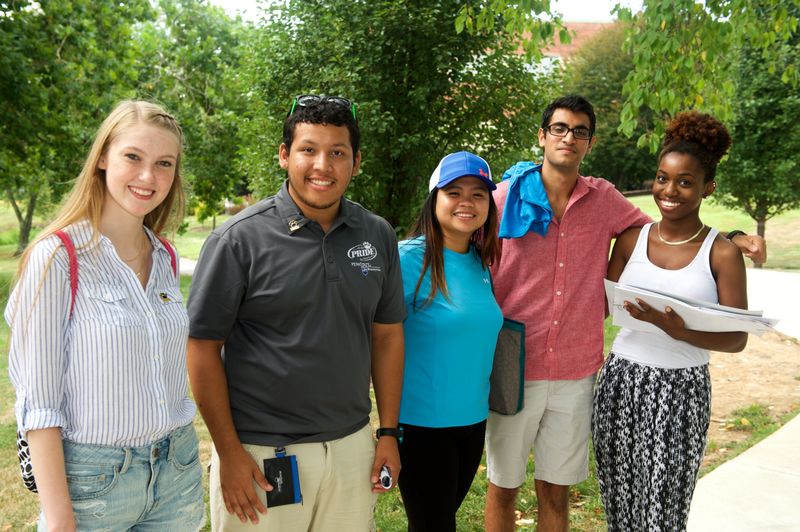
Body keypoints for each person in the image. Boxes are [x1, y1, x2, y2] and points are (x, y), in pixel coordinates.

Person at [483, 95, 766, 531]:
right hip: (513, 363)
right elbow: (454, 235)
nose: (568, 138)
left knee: (556, 492)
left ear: (590, 143)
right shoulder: (502, 199)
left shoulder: (604, 201)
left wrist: (733, 237)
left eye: (580, 131)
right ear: (542, 136)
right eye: (559, 128)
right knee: (503, 487)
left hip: (577, 372)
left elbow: (674, 225)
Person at [186, 94, 406, 531]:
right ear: (285, 155)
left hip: (351, 448)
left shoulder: (376, 234)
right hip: (261, 454)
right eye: (308, 149)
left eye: (337, 152)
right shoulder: (238, 241)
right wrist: (228, 453)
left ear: (356, 162)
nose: (323, 165)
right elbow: (202, 348)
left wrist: (387, 434)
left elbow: (387, 337)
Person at [7, 100, 204, 531]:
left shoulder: (165, 255)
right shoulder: (57, 259)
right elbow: (39, 408)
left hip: (177, 471)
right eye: (133, 157)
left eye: (164, 163)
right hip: (94, 485)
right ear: (102, 158)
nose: (148, 177)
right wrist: (60, 521)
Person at [592, 111, 747, 531]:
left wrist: (681, 330)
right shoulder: (629, 240)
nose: (669, 190)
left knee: (663, 513)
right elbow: (605, 304)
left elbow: (737, 339)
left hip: (681, 389)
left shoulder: (722, 254)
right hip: (620, 382)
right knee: (620, 506)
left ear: (707, 187)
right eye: (663, 178)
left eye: (684, 181)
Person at [396, 151, 503, 531]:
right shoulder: (407, 259)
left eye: (478, 194)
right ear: (434, 199)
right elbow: (375, 339)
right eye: (454, 192)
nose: (466, 203)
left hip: (472, 421)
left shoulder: (479, 261)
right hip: (422, 425)